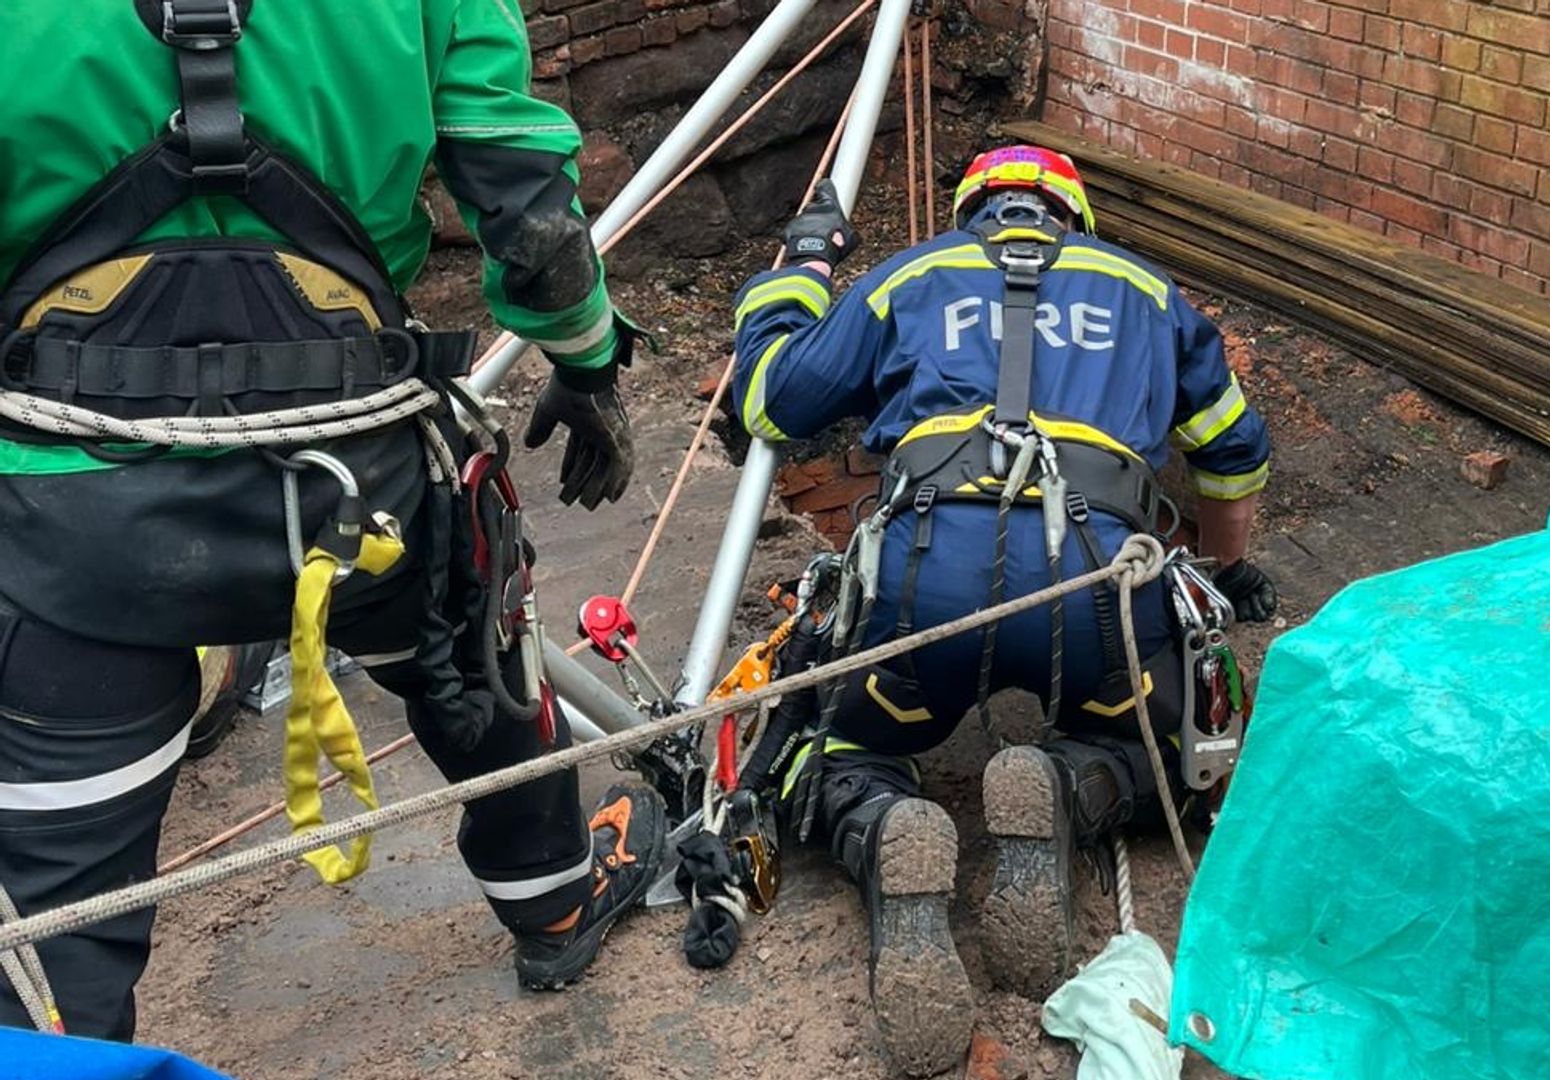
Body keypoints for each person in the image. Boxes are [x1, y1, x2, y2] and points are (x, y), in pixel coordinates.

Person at [0, 0, 667, 1039]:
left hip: (81, 516)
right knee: (476, 657)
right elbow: (530, 214)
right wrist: (586, 364)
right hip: (361, 495)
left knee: (56, 905)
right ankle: (555, 897)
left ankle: (58, 1044)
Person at [730, 144, 1278, 1076]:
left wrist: (800, 276)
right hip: (1097, 591)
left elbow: (769, 402)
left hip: (922, 584)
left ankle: (880, 829)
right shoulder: (1146, 290)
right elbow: (1233, 451)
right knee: (1176, 759)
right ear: (1075, 218)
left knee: (829, 749)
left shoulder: (915, 272)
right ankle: (1068, 789)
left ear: (972, 207)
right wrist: (1221, 575)